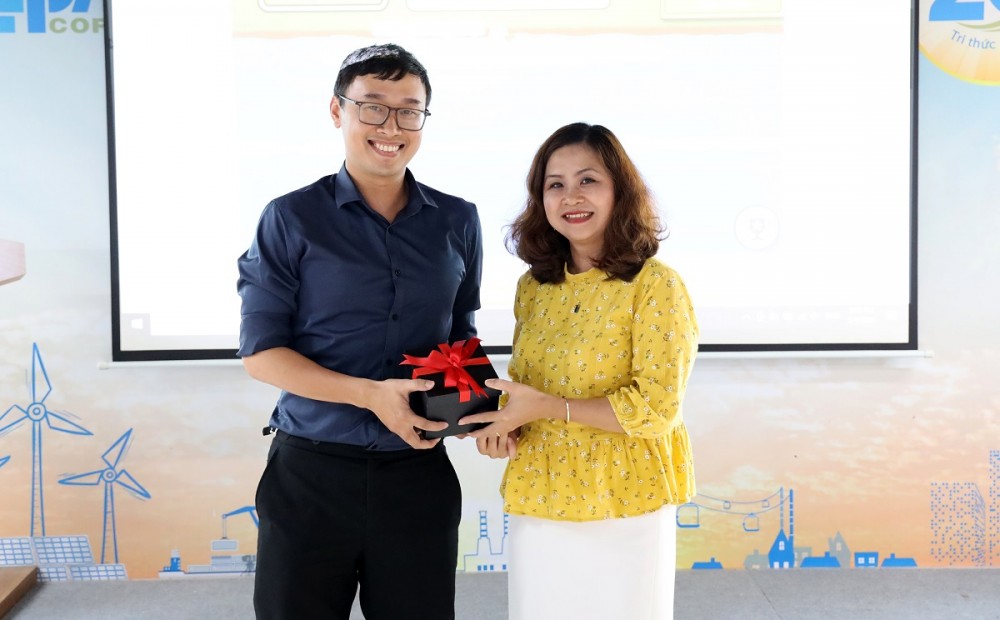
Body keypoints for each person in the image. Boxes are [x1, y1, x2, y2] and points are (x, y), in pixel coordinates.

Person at [236, 43, 483, 620]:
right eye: (373, 106)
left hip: (418, 476)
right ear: (337, 110)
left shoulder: (457, 219)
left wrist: (476, 412)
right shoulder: (290, 217)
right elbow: (262, 354)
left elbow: (459, 335)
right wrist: (371, 395)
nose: (391, 127)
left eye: (409, 110)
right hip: (311, 476)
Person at [459, 122, 699, 620]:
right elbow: (528, 390)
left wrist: (548, 407)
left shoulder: (656, 286)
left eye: (588, 180)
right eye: (555, 184)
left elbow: (656, 409)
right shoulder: (534, 288)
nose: (571, 196)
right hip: (540, 499)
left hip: (626, 501)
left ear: (620, 191)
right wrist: (503, 428)